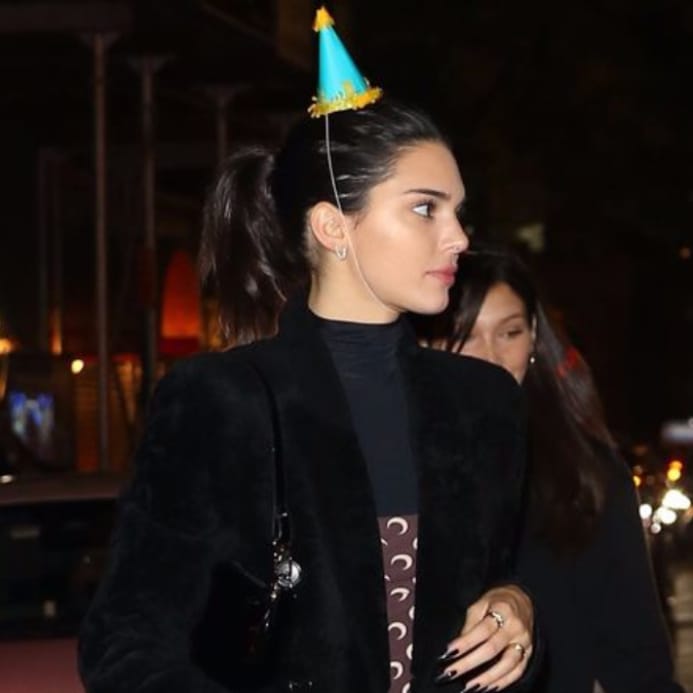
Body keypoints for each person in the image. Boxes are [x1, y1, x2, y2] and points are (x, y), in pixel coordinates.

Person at [78, 9, 537, 693]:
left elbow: (499, 584)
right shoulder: (223, 401)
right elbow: (126, 642)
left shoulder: (484, 401)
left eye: (457, 211)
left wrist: (515, 607)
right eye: (425, 208)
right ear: (331, 226)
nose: (458, 237)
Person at [415, 248, 684, 693]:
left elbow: (638, 664)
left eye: (510, 332)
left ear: (534, 337)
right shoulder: (390, 464)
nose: (491, 356)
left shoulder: (583, 474)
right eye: (465, 334)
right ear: (426, 344)